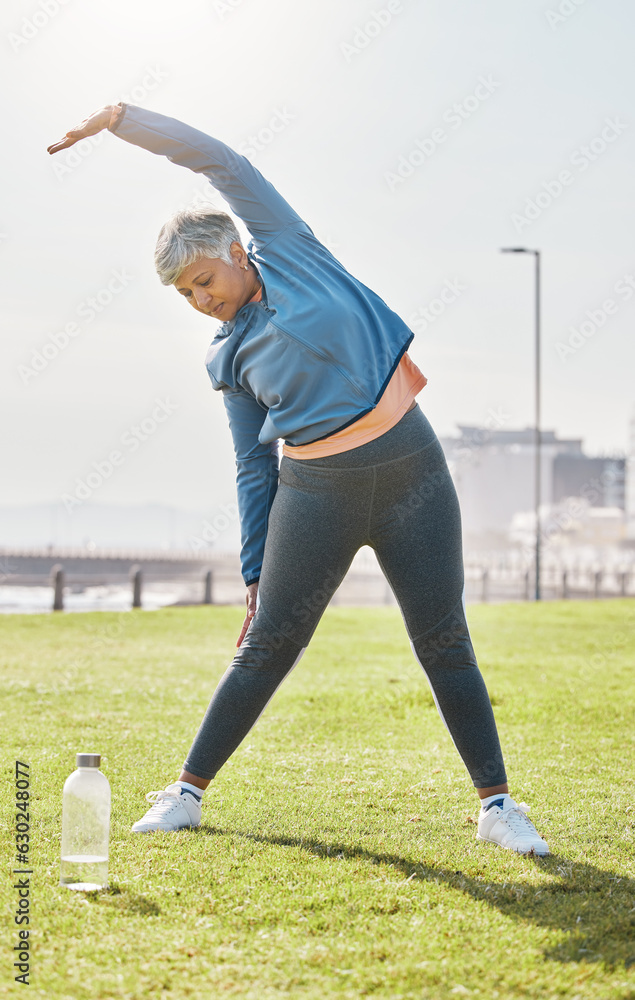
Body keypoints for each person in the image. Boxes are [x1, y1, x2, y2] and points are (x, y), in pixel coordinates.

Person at [48, 102, 549, 856]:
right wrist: (254, 569)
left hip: (413, 472)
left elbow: (222, 163)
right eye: (184, 294)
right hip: (315, 496)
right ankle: (186, 793)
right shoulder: (226, 356)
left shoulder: (287, 247)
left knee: (444, 638)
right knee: (266, 644)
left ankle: (497, 807)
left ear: (235, 251)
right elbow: (253, 465)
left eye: (203, 278)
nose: (200, 298)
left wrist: (123, 119)